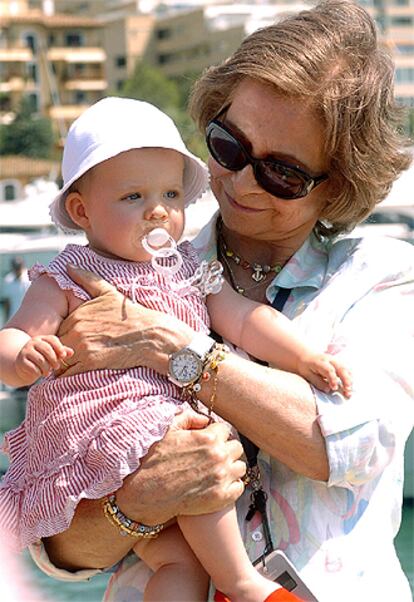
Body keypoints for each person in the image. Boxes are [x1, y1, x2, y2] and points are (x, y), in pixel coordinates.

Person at [15, 0, 414, 600]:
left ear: (340, 182)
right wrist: (134, 504)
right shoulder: (113, 275)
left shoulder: (382, 278)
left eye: (282, 172)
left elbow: (345, 444)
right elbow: (56, 547)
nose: (243, 181)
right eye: (229, 146)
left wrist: (167, 345)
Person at [0, 96, 350, 602]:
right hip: (107, 424)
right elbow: (15, 335)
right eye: (133, 197)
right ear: (82, 211)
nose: (158, 209)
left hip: (164, 423)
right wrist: (21, 358)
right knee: (190, 450)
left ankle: (225, 582)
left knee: (180, 561)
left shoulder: (186, 266)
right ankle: (243, 583)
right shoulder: (69, 275)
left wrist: (302, 357)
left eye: (170, 193)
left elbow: (244, 318)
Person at [0, 257, 30, 322]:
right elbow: (6, 302)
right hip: (13, 317)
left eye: (19, 267)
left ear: (22, 266)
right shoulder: (8, 280)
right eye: (16, 268)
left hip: (28, 317)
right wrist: (5, 321)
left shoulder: (30, 278)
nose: (17, 270)